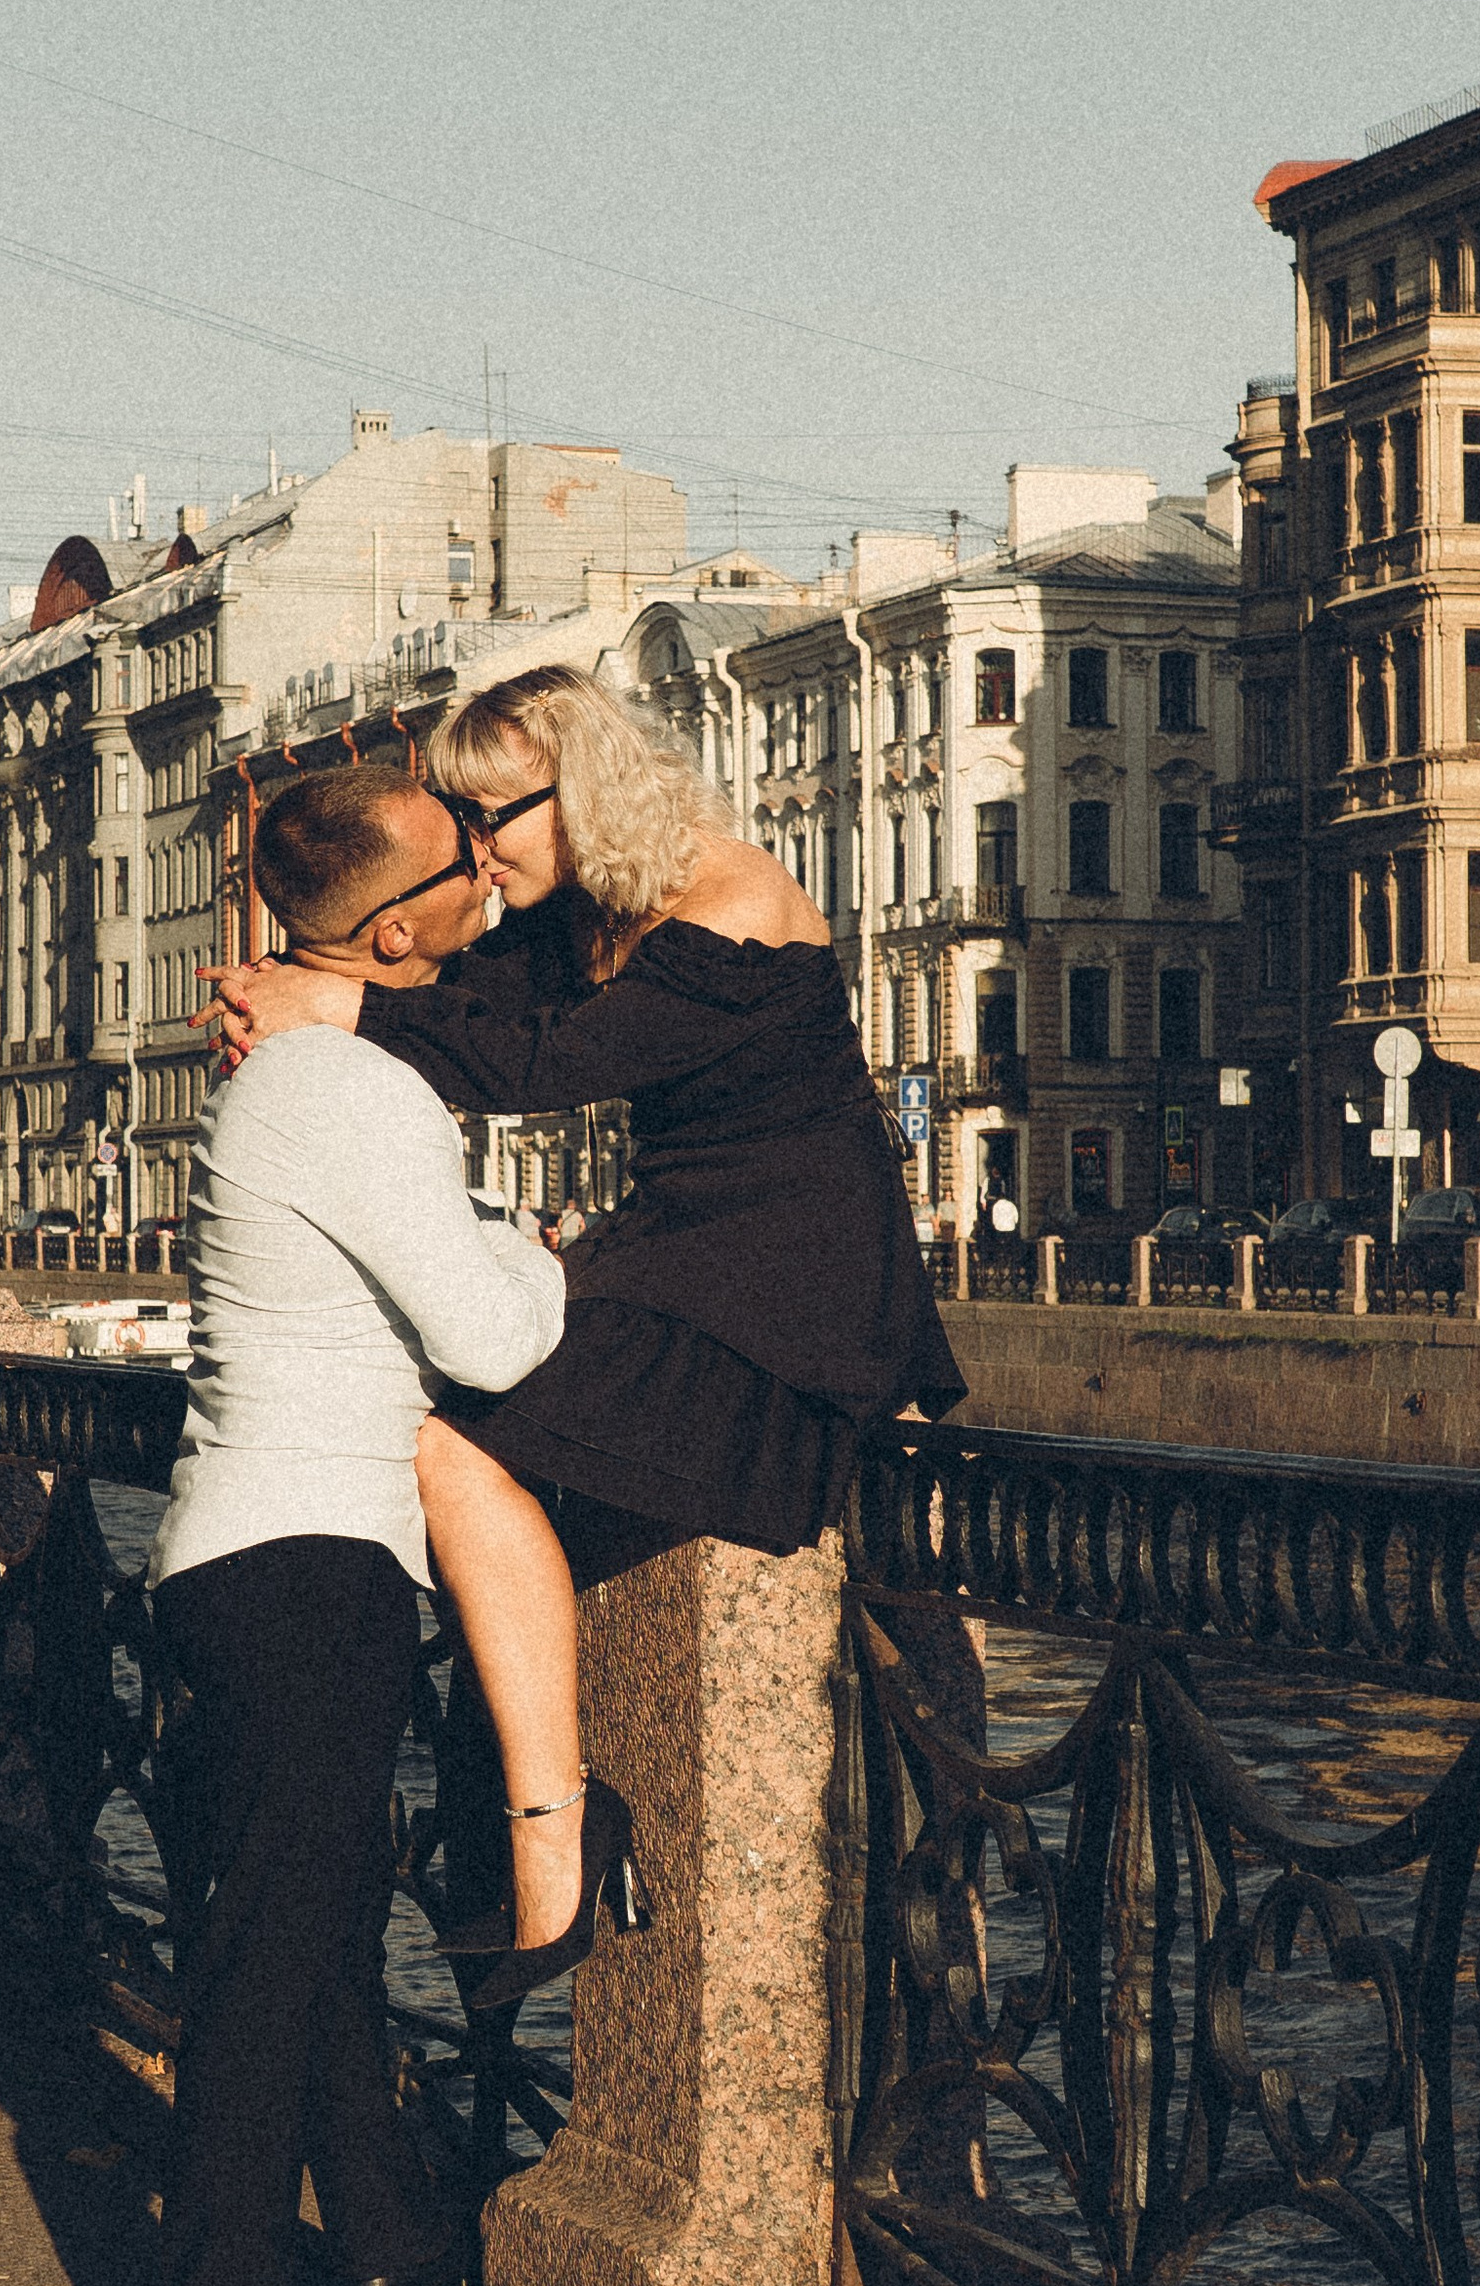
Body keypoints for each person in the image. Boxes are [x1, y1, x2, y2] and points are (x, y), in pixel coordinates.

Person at [213, 664, 963, 2008]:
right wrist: (294, 983)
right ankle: (522, 1813)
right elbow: (437, 973)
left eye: (492, 816)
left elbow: (537, 1067)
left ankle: (547, 1834)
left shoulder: (733, 905)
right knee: (454, 1430)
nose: (478, 850)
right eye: (458, 819)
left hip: (793, 1289)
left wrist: (341, 1010)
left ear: (585, 791)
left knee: (454, 1443)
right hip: (682, 1256)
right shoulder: (583, 907)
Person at [146, 761, 568, 2286]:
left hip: (239, 1556)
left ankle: (387, 2247)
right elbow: (496, 1340)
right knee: (275, 1952)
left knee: (307, 1944)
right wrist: (537, 1243)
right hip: (315, 1565)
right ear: (395, 934)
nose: (487, 878)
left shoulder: (291, 1083)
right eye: (461, 866)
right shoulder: (351, 1095)